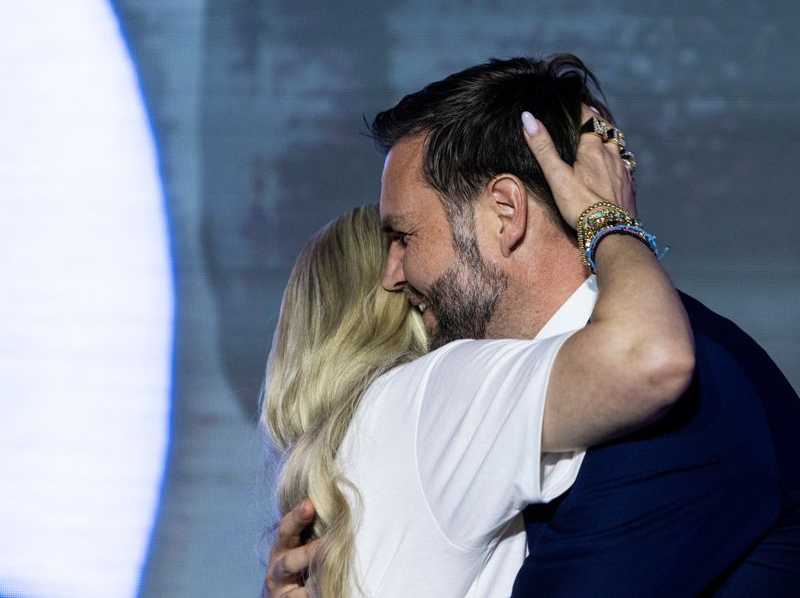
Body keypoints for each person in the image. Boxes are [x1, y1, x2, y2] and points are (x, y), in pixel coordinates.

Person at [266, 54, 800, 597]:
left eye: (404, 236)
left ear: (506, 213)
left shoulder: (686, 400)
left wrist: (607, 221)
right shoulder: (546, 398)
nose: (392, 274)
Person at [261, 105, 695, 596]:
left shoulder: (351, 454)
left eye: (405, 239)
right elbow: (648, 356)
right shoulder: (430, 395)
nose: (395, 273)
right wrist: (607, 217)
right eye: (396, 241)